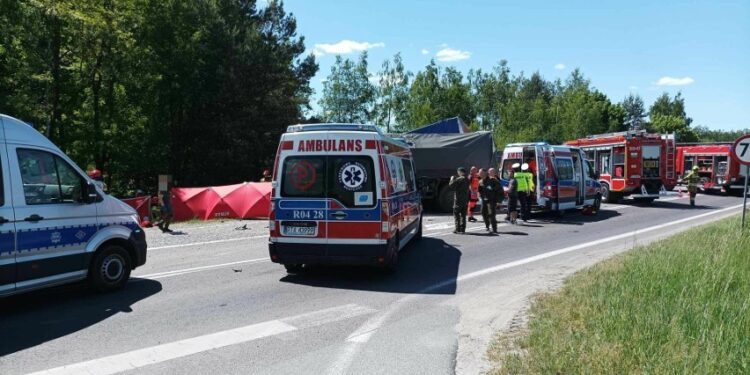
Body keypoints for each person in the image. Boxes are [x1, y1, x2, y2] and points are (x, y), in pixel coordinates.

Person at [479, 167, 502, 232]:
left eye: (480, 173)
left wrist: (499, 201)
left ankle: (494, 229)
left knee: (492, 215)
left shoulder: (493, 180)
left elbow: (500, 191)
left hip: (492, 200)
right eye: (479, 173)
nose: (479, 174)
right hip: (484, 200)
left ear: (484, 173)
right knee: (483, 213)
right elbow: (480, 190)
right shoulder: (480, 181)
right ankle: (487, 226)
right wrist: (480, 196)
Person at [449, 167, 471, 234]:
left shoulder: (459, 179)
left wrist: (451, 179)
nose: (457, 173)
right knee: (463, 215)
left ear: (460, 172)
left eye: (458, 172)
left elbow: (451, 186)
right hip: (465, 200)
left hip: (458, 200)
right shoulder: (467, 179)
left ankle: (457, 229)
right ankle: (463, 229)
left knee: (456, 214)